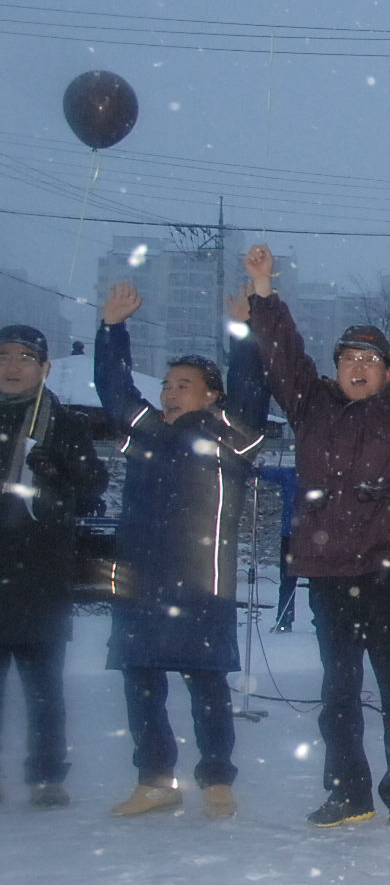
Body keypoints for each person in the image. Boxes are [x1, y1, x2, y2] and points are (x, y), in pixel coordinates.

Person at [237, 209, 390, 829]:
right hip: (328, 571)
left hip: (387, 571)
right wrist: (263, 292)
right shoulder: (312, 407)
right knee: (338, 691)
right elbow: (283, 358)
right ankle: (349, 792)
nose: (357, 367)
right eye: (349, 357)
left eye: (370, 359)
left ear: (387, 371)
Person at [95, 280, 269, 819]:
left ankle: (216, 779)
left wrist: (245, 330)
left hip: (200, 584)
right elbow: (114, 388)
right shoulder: (144, 430)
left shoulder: (229, 435)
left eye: (184, 385)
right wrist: (111, 329)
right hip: (139, 581)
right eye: (168, 385)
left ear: (212, 394)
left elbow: (252, 389)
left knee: (207, 685)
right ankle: (155, 780)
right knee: (141, 684)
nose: (170, 393)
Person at [0, 323, 108, 810]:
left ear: (44, 368)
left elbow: (93, 488)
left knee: (44, 687)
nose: (12, 366)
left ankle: (47, 775)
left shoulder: (64, 423)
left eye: (25, 357)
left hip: (40, 573)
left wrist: (62, 470)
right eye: (4, 356)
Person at [255, 463, 303, 632]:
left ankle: (320, 622)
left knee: (317, 581)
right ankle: (284, 620)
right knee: (288, 580)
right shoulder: (290, 474)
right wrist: (256, 469)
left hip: (311, 536)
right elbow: (264, 472)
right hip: (293, 535)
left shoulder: (316, 474)